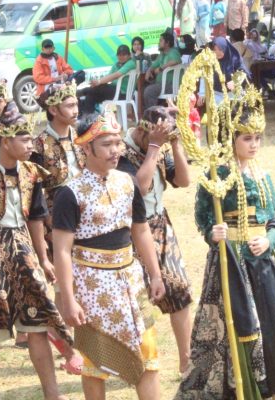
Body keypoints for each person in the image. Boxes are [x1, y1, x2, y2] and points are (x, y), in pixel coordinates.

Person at [177, 83, 275, 400]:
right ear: (231, 138)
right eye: (246, 138)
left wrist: (270, 239)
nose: (253, 144)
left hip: (263, 262)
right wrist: (214, 234)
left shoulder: (262, 174)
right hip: (231, 261)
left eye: (257, 138)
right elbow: (204, 217)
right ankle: (245, 389)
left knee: (274, 324)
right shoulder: (218, 173)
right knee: (238, 327)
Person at [0, 101, 71, 400]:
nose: (30, 143)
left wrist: (43, 258)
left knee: (37, 321)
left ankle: (52, 393)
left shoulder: (31, 172)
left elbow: (35, 217)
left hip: (24, 251)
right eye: (24, 139)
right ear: (5, 141)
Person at [52, 111, 165, 400]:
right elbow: (62, 251)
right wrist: (68, 298)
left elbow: (140, 231)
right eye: (106, 144)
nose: (116, 150)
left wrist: (154, 274)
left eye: (117, 142)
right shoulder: (70, 194)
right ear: (86, 148)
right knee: (94, 360)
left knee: (148, 352)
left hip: (130, 278)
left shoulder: (128, 183)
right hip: (92, 286)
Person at [117, 106, 193, 374]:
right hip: (130, 231)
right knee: (133, 300)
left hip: (160, 226)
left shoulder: (159, 148)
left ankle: (186, 360)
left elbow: (183, 180)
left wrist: (176, 145)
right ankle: (134, 362)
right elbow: (139, 188)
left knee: (180, 290)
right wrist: (153, 148)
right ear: (141, 129)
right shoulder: (120, 151)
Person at [30, 81, 85, 375]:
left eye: (76, 104)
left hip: (82, 221)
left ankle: (74, 340)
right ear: (53, 109)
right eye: (69, 105)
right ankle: (66, 343)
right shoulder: (39, 145)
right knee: (60, 282)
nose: (75, 110)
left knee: (76, 280)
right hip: (54, 221)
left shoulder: (79, 137)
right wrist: (48, 223)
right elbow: (34, 189)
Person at [78, 44, 136, 115]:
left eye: (124, 55)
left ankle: (83, 91)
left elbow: (116, 75)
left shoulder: (131, 63)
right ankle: (87, 119)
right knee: (91, 94)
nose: (121, 57)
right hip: (114, 91)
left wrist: (99, 82)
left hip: (123, 93)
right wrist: (98, 82)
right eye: (119, 55)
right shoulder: (117, 64)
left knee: (96, 88)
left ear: (129, 55)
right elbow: (108, 77)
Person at [143, 31, 182, 109]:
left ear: (167, 43)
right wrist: (149, 70)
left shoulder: (173, 52)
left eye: (161, 41)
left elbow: (175, 61)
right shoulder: (162, 54)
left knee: (149, 91)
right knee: (142, 87)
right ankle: (146, 113)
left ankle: (153, 115)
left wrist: (161, 68)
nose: (158, 43)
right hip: (162, 84)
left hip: (171, 85)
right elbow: (154, 65)